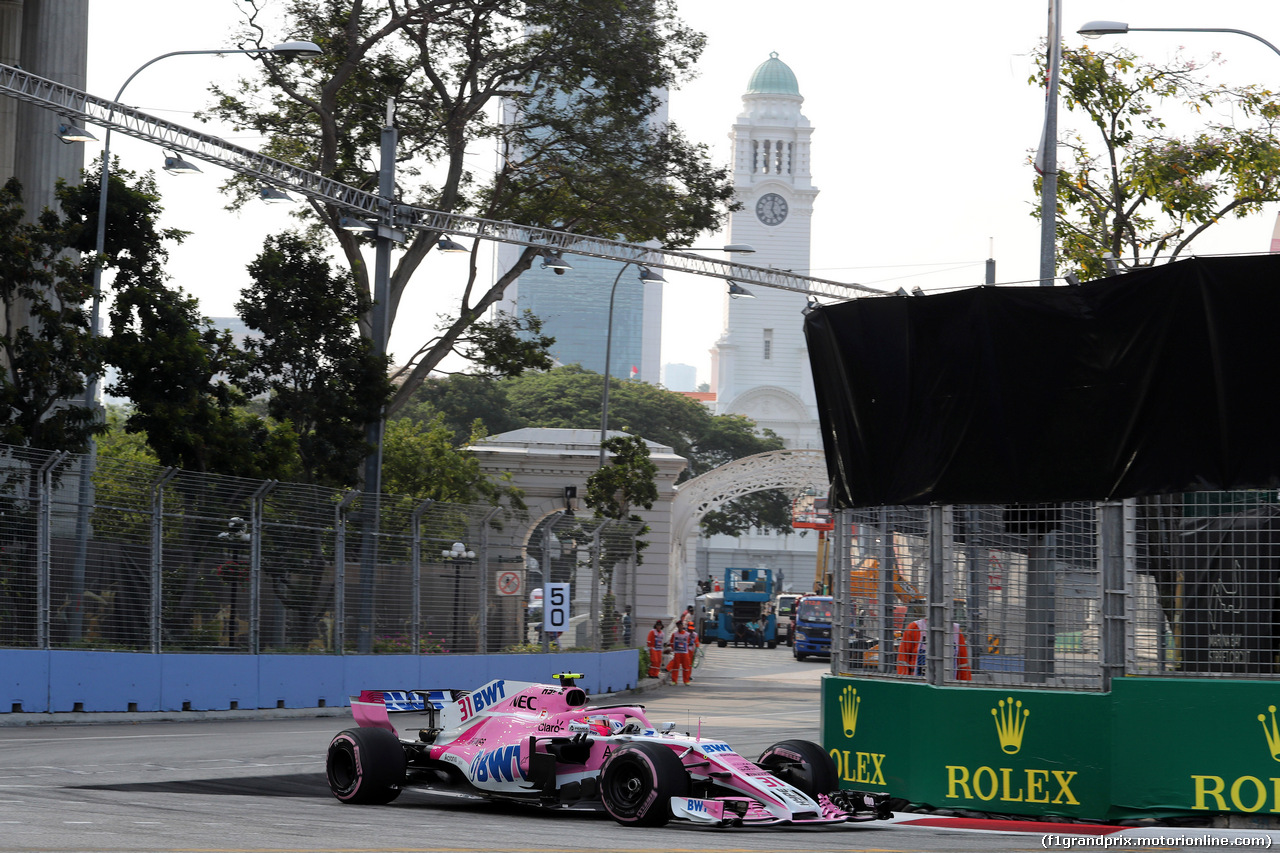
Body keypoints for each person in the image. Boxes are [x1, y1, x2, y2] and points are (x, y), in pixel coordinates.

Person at [895, 607, 972, 681]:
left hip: (948, 683)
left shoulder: (955, 630)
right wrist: (905, 682)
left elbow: (962, 662)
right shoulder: (914, 627)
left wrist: (965, 685)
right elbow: (903, 659)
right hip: (918, 683)